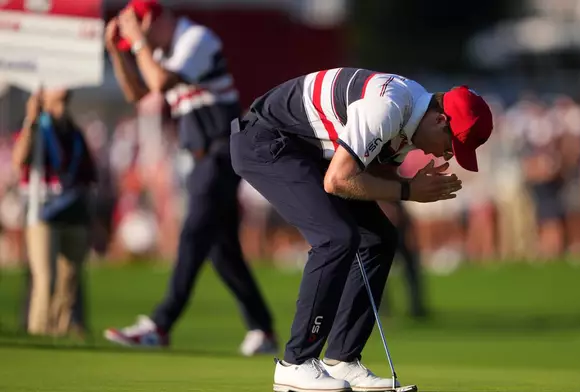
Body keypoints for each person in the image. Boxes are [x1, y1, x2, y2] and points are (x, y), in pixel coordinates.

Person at [230, 68, 493, 392]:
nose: (445, 154)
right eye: (451, 144)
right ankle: (295, 364)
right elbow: (338, 180)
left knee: (380, 238)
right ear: (440, 120)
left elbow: (373, 175)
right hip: (267, 140)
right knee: (336, 237)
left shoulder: (411, 120)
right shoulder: (389, 107)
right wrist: (409, 190)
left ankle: (343, 359)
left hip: (307, 151)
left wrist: (408, 186)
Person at [102, 0, 277, 356]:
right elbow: (139, 93)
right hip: (202, 156)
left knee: (194, 232)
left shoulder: (195, 39)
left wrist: (137, 44)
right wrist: (118, 54)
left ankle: (161, 324)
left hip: (221, 149)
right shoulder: (162, 50)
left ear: (154, 19)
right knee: (221, 250)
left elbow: (160, 81)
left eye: (142, 31)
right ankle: (262, 328)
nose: (141, 43)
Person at [12, 89, 96, 337]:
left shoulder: (73, 130)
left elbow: (87, 173)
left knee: (69, 282)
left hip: (72, 209)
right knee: (44, 279)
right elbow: (20, 161)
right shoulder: (37, 128)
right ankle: (39, 331)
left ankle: (63, 331)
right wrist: (31, 120)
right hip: (43, 209)